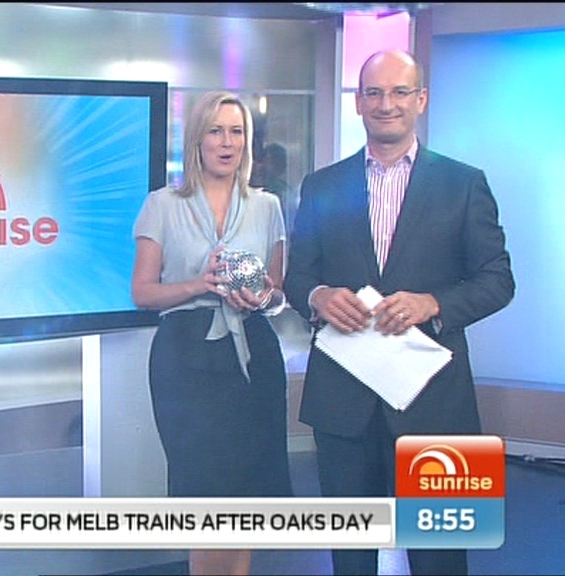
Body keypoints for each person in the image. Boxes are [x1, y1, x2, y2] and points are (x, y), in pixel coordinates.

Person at [284, 50, 515, 576]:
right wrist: (317, 295)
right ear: (359, 102)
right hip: (343, 401)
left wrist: (434, 304)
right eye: (374, 92)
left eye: (399, 92)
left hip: (435, 403)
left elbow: (498, 280)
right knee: (350, 557)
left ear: (421, 100)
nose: (386, 104)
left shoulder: (464, 183)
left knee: (440, 557)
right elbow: (298, 276)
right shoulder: (322, 186)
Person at [132, 90, 294, 576]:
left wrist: (260, 298)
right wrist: (198, 285)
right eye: (216, 131)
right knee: (203, 491)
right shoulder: (163, 204)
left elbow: (278, 293)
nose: (227, 142)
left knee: (246, 491)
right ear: (197, 140)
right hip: (186, 358)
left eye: (236, 132)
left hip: (252, 356)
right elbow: (143, 292)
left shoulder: (267, 206)